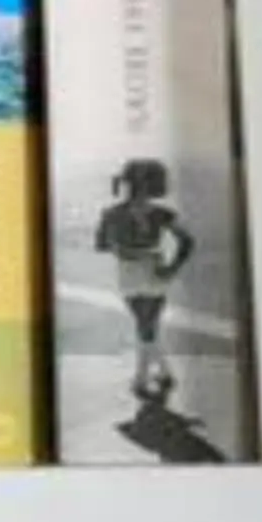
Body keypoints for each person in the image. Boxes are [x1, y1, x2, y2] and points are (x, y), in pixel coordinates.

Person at [95, 157, 196, 402]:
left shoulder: (162, 214)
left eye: (144, 185)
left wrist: (172, 267)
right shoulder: (112, 214)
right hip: (133, 272)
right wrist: (117, 247)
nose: (141, 191)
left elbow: (188, 241)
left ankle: (141, 377)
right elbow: (100, 245)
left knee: (146, 323)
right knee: (147, 324)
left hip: (152, 270)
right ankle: (164, 372)